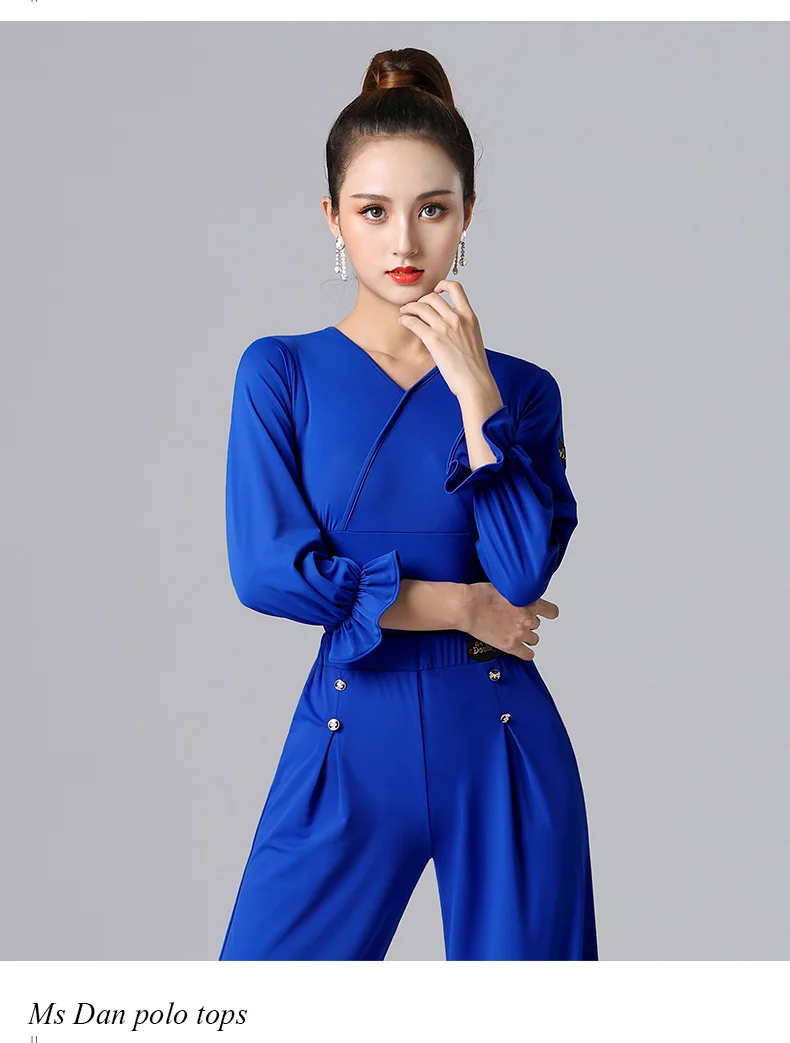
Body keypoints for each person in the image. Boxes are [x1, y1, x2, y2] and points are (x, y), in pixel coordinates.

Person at [218, 47, 598, 961]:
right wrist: (459, 605)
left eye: (432, 210)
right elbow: (266, 571)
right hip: (348, 733)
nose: (403, 244)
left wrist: (475, 393)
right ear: (332, 217)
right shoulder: (280, 372)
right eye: (373, 211)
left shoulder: (522, 391)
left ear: (467, 215)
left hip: (502, 740)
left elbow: (521, 570)